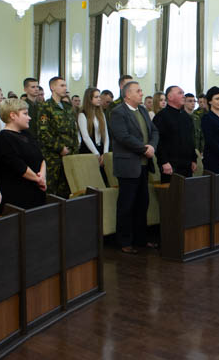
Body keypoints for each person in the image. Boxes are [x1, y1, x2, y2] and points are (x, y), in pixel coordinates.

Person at [110, 81, 159, 254]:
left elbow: (154, 131)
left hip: (144, 165)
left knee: (142, 203)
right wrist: (144, 149)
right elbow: (123, 137)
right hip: (128, 165)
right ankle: (124, 241)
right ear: (127, 94)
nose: (141, 93)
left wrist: (152, 146)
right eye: (138, 91)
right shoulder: (118, 112)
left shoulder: (143, 111)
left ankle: (141, 239)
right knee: (126, 205)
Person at [0, 98, 47, 210]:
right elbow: (18, 166)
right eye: (25, 114)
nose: (29, 117)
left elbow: (41, 158)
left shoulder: (26, 134)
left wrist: (42, 177)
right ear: (13, 115)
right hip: (17, 194)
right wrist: (38, 179)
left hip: (36, 189)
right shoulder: (3, 138)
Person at [37, 76, 79, 198]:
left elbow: (73, 130)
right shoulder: (45, 107)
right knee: (52, 190)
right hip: (53, 157)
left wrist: (75, 148)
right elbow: (43, 133)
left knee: (67, 188)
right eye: (62, 85)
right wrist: (60, 148)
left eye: (65, 85)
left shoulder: (67, 107)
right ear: (52, 87)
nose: (65, 88)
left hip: (70, 154)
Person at [152, 85, 197, 182]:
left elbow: (190, 140)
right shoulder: (161, 117)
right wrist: (163, 162)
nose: (183, 96)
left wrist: (194, 159)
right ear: (170, 97)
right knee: (172, 196)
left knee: (187, 195)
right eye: (180, 93)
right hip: (170, 165)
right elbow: (158, 142)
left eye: (183, 93)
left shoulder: (186, 116)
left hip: (187, 165)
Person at [77, 88, 110, 183]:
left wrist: (105, 153)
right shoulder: (82, 114)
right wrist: (96, 154)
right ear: (89, 99)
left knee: (103, 180)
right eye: (96, 97)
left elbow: (106, 135)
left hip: (101, 150)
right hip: (89, 150)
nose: (99, 99)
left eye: (99, 96)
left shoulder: (101, 114)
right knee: (90, 180)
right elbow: (85, 137)